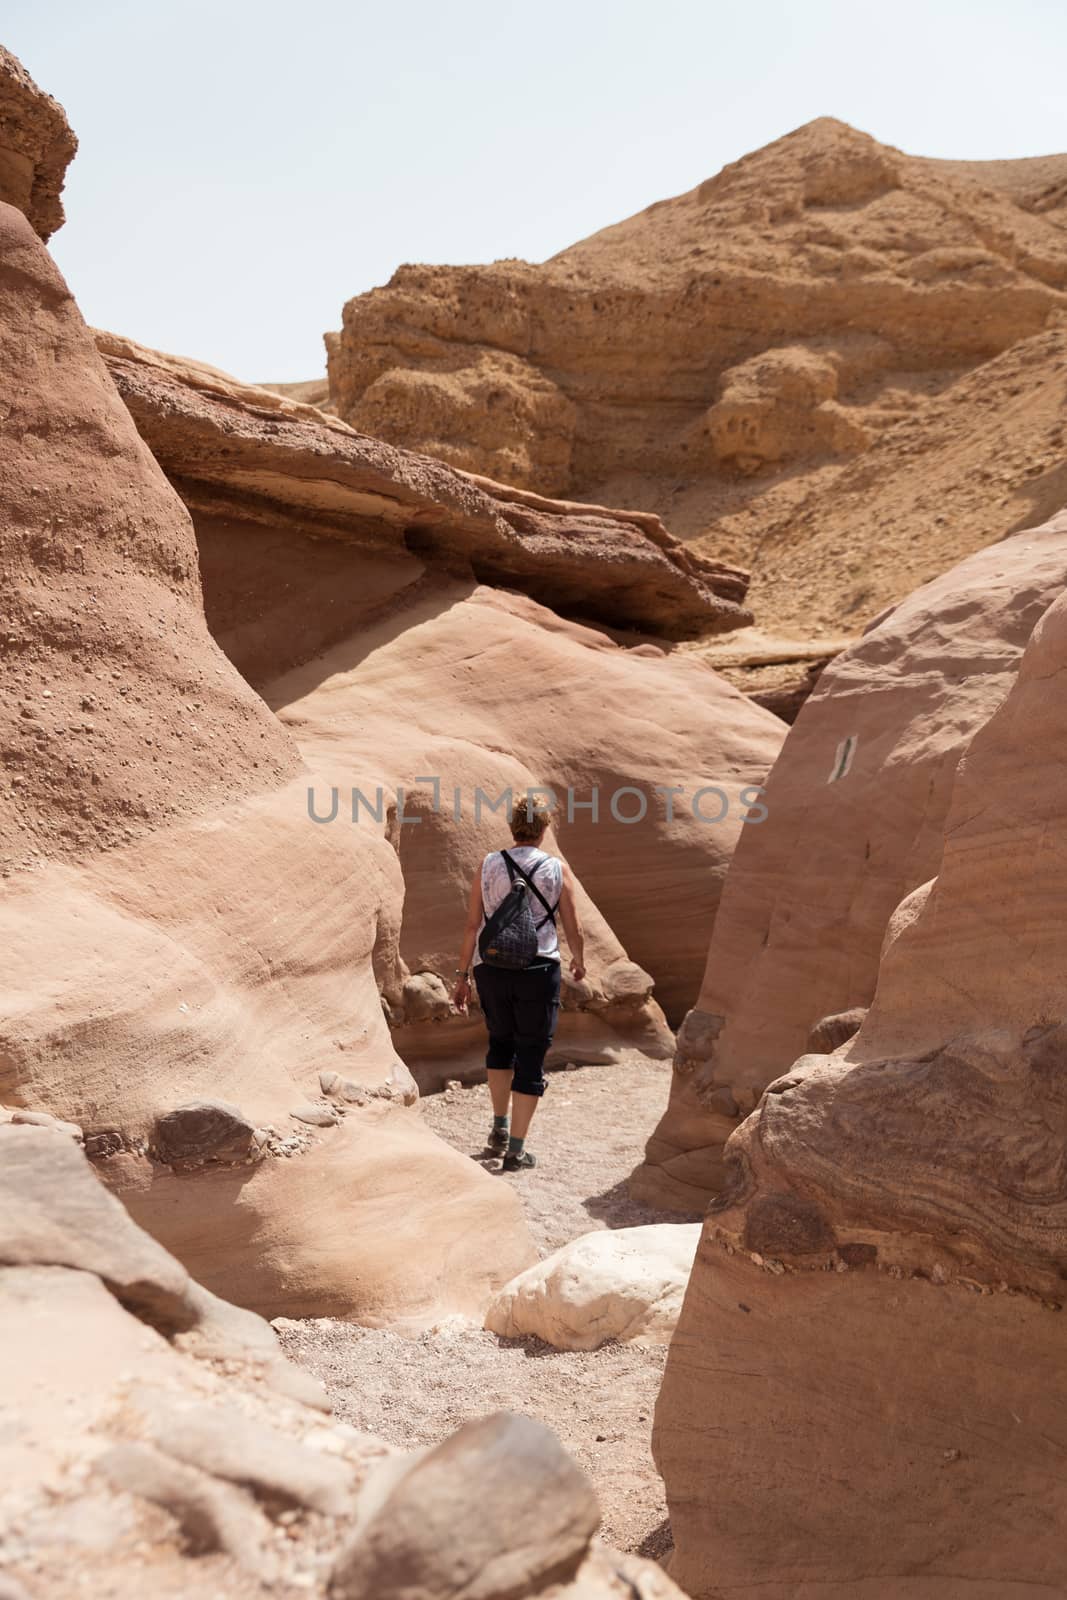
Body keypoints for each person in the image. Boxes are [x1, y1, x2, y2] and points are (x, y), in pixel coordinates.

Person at [452, 799, 585, 1171]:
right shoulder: (557, 869)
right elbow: (573, 926)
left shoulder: (490, 863)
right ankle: (516, 1149)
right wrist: (580, 958)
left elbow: (471, 925)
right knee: (531, 1054)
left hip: (491, 967)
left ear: (512, 826)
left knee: (500, 1044)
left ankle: (498, 1128)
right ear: (543, 829)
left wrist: (462, 976)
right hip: (538, 969)